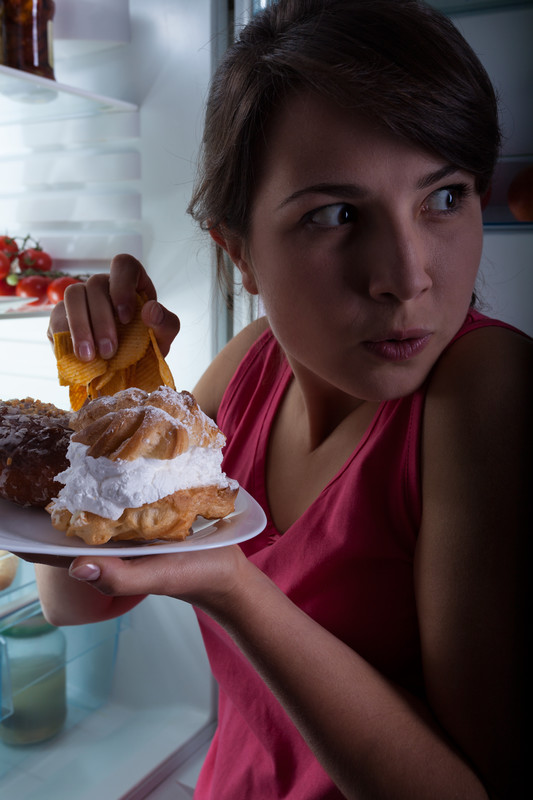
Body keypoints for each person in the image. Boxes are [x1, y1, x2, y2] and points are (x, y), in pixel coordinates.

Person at [31, 1, 530, 798]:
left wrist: (234, 587)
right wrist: (110, 393)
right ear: (240, 256)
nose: (405, 277)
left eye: (443, 198)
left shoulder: (486, 387)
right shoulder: (249, 367)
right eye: (335, 215)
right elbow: (77, 596)